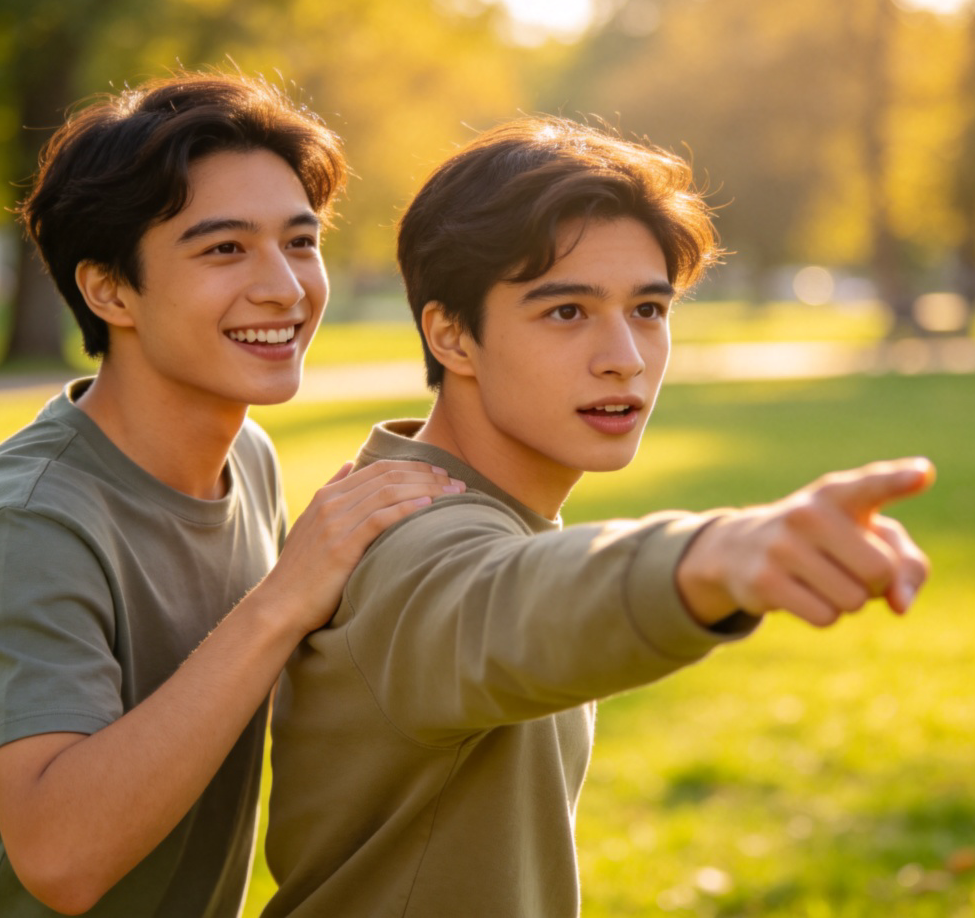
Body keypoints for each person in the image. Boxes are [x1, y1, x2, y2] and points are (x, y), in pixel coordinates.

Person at [263, 116, 933, 918]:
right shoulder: (409, 537)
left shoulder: (449, 502)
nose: (625, 357)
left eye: (648, 309)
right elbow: (513, 604)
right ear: (452, 335)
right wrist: (714, 555)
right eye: (567, 312)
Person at [0, 71, 464, 917]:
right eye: (225, 249)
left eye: (299, 241)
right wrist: (283, 599)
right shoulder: (30, 519)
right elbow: (59, 856)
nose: (285, 287)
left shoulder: (248, 457)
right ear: (109, 289)